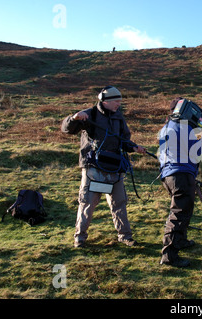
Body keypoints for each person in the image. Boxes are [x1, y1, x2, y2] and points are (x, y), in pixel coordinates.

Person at [61, 86, 146, 248]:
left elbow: (124, 139)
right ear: (105, 101)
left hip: (114, 168)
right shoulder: (89, 114)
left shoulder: (118, 117)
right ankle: (80, 238)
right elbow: (67, 129)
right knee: (87, 203)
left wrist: (134, 147)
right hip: (93, 168)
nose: (118, 105)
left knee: (119, 203)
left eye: (120, 102)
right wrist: (74, 118)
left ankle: (125, 236)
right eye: (116, 101)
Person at [157, 98, 202, 267]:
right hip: (181, 173)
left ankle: (180, 241)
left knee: (183, 211)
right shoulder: (182, 126)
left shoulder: (166, 127)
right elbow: (199, 145)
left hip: (169, 174)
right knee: (179, 214)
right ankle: (169, 256)